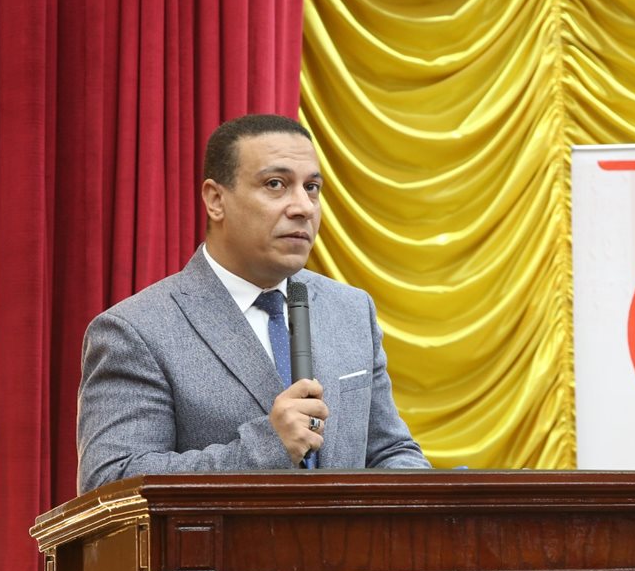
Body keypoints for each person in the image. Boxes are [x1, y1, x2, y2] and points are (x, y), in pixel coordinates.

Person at [77, 114, 430, 493]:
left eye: (312, 188)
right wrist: (267, 447)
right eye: (276, 184)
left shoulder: (351, 310)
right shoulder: (136, 331)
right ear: (216, 200)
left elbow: (390, 451)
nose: (303, 207)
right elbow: (112, 483)